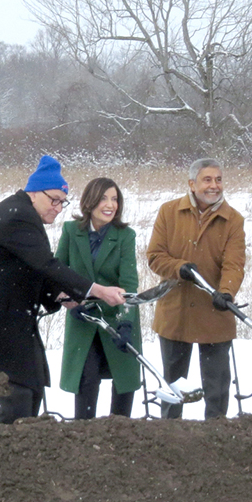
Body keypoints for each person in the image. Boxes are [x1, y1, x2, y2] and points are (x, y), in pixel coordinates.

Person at [0, 155, 126, 425]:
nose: (58, 207)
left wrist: (61, 296)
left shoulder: (26, 216)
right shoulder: (17, 215)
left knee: (33, 384)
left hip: (11, 315)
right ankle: (9, 449)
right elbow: (46, 264)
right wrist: (96, 290)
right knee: (17, 391)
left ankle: (22, 446)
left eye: (62, 202)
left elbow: (33, 269)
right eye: (53, 199)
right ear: (33, 192)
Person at [146, 158, 246, 419]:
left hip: (216, 312)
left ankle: (216, 439)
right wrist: (179, 268)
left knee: (217, 389)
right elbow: (155, 256)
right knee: (173, 387)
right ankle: (170, 438)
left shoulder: (233, 220)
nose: (214, 186)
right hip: (175, 313)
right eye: (207, 180)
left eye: (219, 179)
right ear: (192, 184)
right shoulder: (169, 212)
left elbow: (234, 264)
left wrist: (227, 291)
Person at [54, 177, 142, 419]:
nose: (110, 204)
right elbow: (56, 273)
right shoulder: (72, 232)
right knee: (87, 378)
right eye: (104, 198)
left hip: (117, 317)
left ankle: (121, 433)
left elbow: (129, 284)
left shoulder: (126, 236)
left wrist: (126, 322)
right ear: (89, 201)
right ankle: (84, 435)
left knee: (123, 382)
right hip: (84, 319)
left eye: (115, 199)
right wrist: (70, 304)